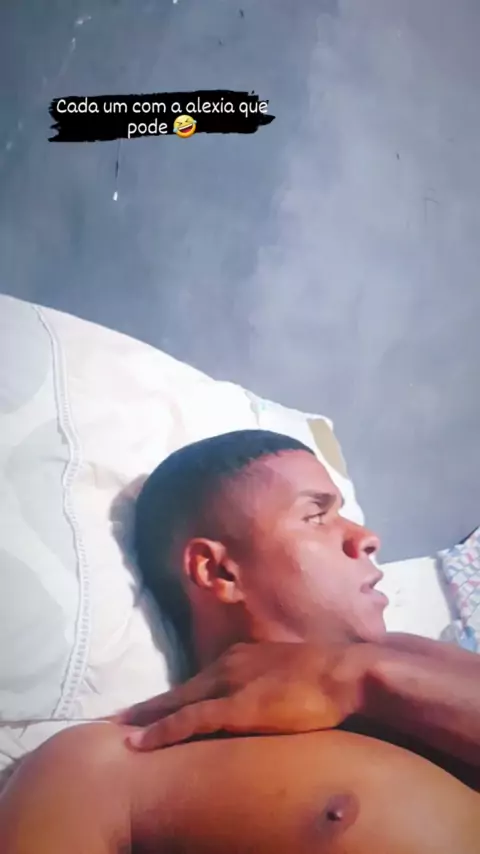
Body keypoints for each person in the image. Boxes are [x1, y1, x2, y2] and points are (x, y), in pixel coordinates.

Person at [1, 430, 479, 854]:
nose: (367, 538)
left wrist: (360, 679)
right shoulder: (109, 764)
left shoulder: (415, 659)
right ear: (219, 571)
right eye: (317, 515)